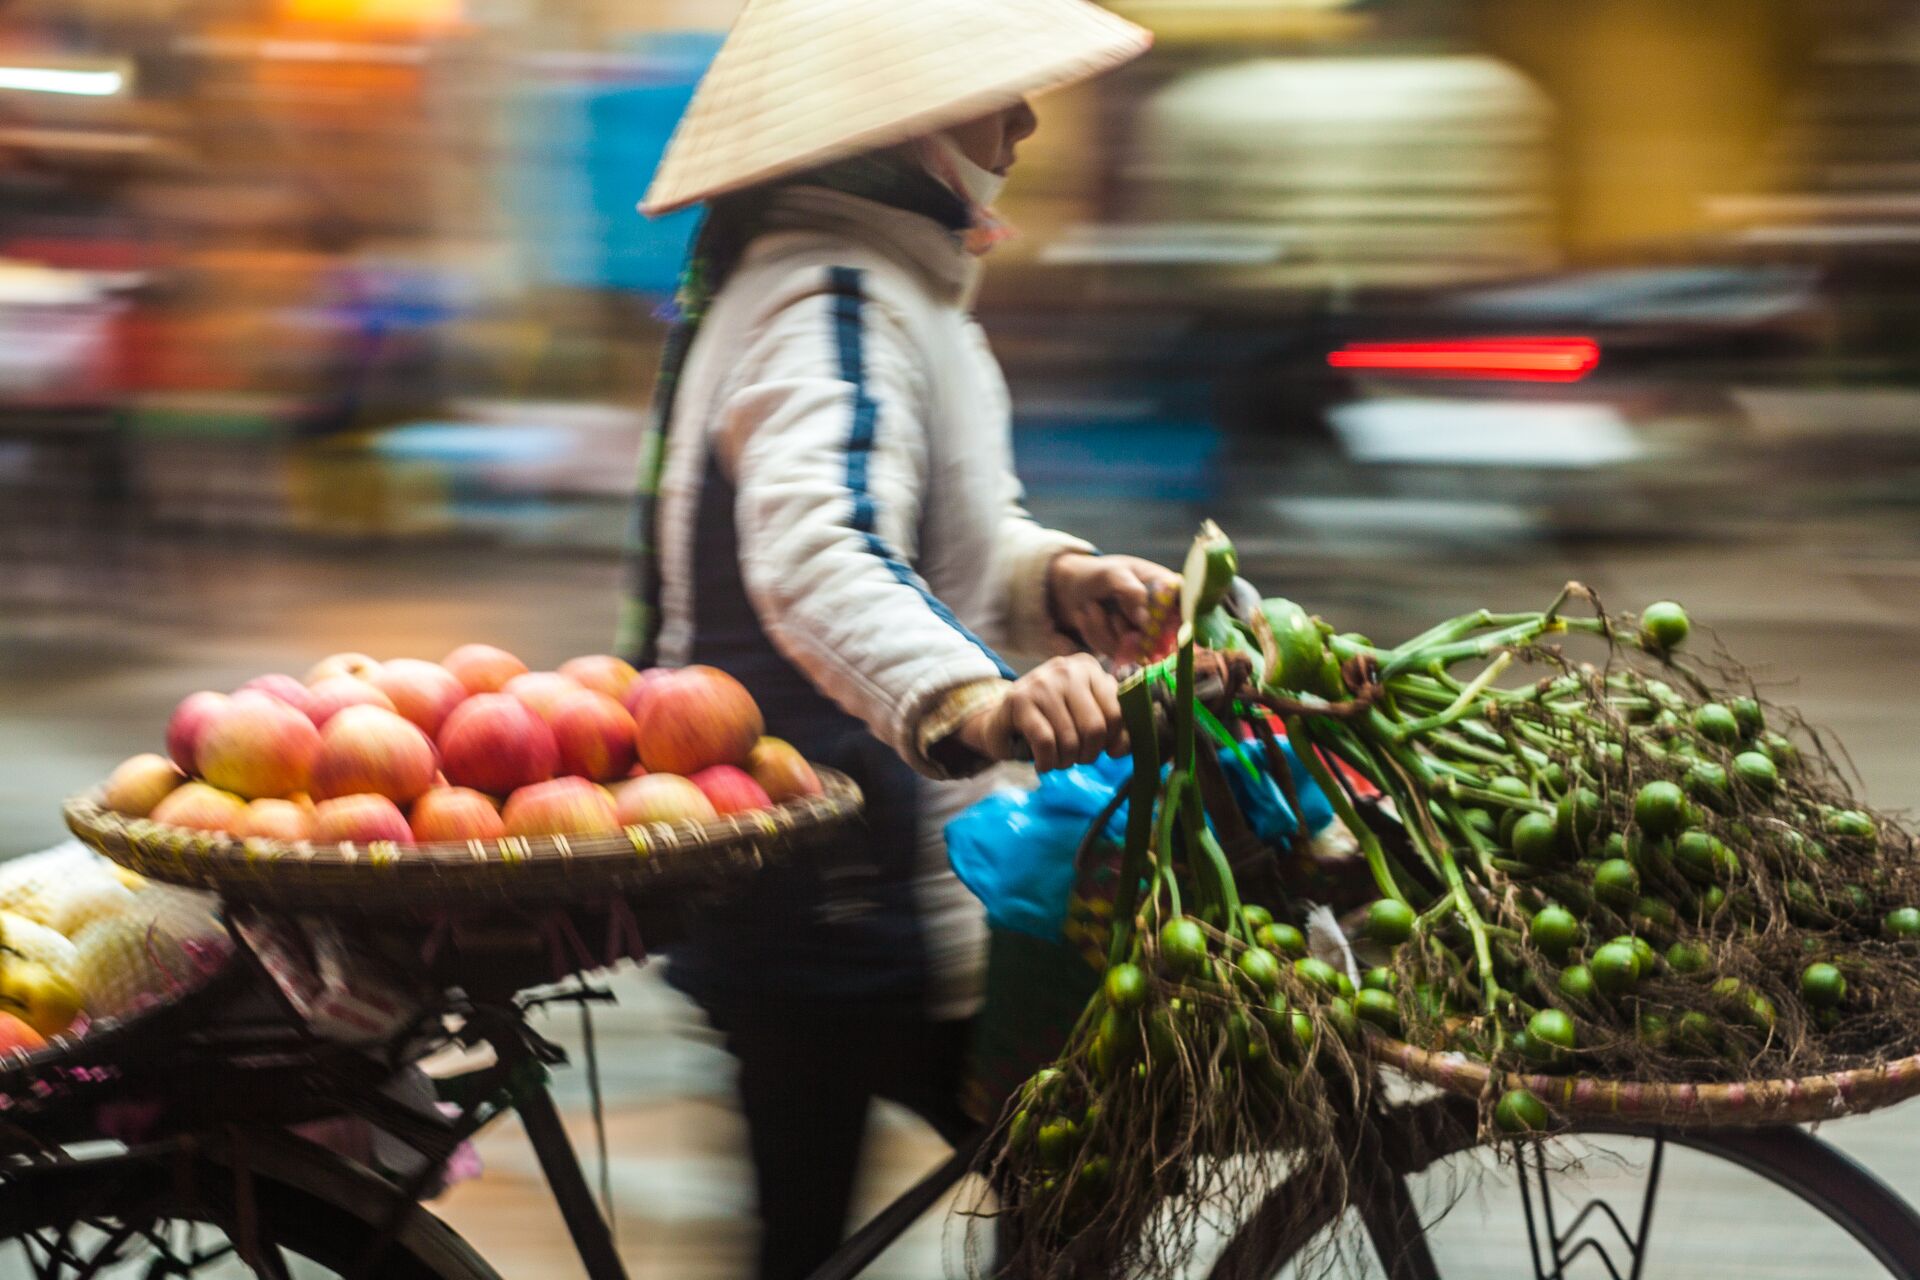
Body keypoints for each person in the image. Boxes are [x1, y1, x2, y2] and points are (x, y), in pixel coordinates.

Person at [619, 2, 1166, 1275]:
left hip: (818, 878)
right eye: (995, 94)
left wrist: (1062, 580)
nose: (1026, 119)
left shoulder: (887, 287)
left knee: (811, 1229)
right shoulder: (833, 294)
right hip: (843, 877)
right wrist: (977, 700)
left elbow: (934, 537)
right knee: (1076, 1184)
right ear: (906, 123)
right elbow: (822, 555)